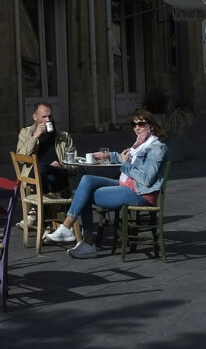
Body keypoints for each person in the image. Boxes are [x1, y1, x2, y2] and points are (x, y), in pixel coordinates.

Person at [43, 110, 166, 257]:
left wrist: (125, 165)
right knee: (87, 180)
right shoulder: (140, 145)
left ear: (151, 126)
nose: (137, 127)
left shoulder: (156, 148)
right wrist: (107, 156)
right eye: (134, 124)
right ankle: (71, 229)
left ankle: (82, 238)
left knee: (85, 193)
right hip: (127, 186)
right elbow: (125, 157)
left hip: (141, 193)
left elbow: (146, 179)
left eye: (141, 124)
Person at [14, 101, 70, 195]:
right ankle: (39, 208)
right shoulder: (26, 133)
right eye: (44, 117)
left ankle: (34, 206)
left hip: (58, 175)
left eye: (50, 116)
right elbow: (20, 158)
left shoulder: (63, 136)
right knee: (43, 173)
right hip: (41, 179)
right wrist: (35, 136)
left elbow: (74, 166)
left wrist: (62, 166)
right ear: (35, 117)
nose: (48, 120)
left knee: (41, 167)